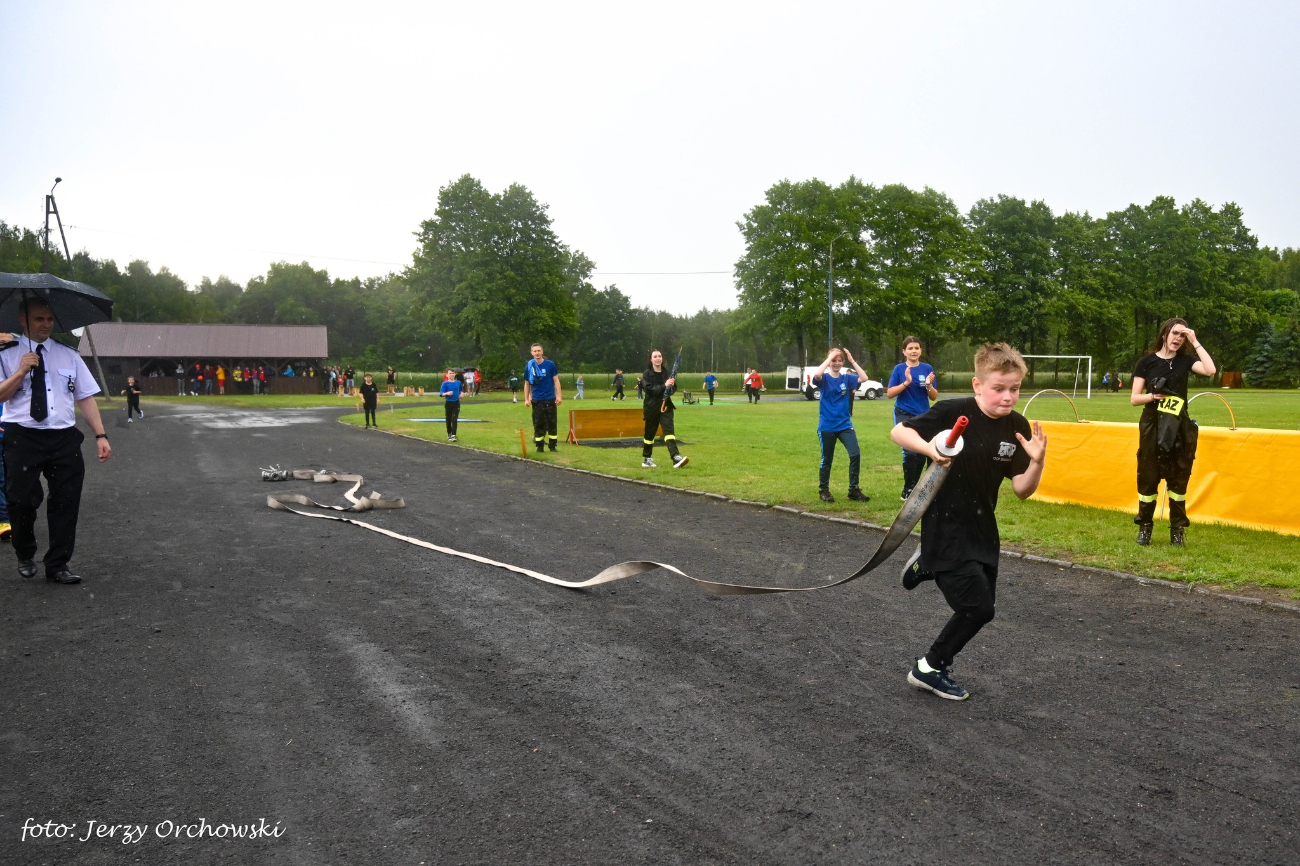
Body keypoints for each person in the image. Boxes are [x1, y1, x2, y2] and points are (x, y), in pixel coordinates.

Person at [890, 343, 1046, 701]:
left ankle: (927, 564)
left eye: (1015, 389)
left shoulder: (1017, 427)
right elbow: (900, 432)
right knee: (978, 608)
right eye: (999, 388)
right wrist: (932, 449)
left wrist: (1037, 462)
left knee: (981, 607)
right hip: (944, 524)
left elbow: (1022, 490)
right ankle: (929, 668)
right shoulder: (953, 411)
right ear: (978, 385)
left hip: (982, 528)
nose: (1008, 397)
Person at [0, 298, 113, 585]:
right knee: (21, 500)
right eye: (39, 319)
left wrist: (101, 435)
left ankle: (58, 564)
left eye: (49, 319)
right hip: (22, 436)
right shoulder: (6, 355)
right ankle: (25, 553)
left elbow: (85, 397)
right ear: (22, 320)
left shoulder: (69, 355)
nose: (46, 324)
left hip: (63, 438)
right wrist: (21, 371)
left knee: (66, 501)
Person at [1131, 318, 1216, 546]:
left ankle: (1177, 529)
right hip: (1151, 425)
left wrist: (1195, 341)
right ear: (1165, 334)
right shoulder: (1146, 362)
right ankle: (1145, 527)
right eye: (1175, 333)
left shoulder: (1186, 361)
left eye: (1183, 335)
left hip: (1179, 426)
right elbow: (1134, 398)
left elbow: (1210, 370)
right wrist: (1153, 396)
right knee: (1148, 477)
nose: (1178, 338)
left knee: (1178, 478)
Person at [812, 348, 870, 503]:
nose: (836, 363)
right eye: (833, 360)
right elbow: (817, 375)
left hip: (845, 425)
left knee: (855, 454)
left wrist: (852, 361)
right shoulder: (823, 378)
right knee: (827, 459)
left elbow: (864, 378)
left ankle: (853, 490)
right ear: (829, 361)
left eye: (839, 360)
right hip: (827, 426)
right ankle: (824, 490)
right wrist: (829, 357)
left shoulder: (847, 378)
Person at [887, 336, 939, 500]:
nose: (914, 351)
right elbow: (889, 394)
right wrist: (907, 382)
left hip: (923, 415)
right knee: (910, 453)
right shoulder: (899, 369)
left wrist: (930, 386)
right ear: (904, 351)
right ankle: (908, 489)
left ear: (920, 351)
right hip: (904, 413)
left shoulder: (927, 368)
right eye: (910, 348)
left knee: (922, 453)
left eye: (916, 348)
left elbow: (934, 397)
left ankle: (917, 488)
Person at [640, 349, 689, 469]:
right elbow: (649, 390)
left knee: (669, 431)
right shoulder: (647, 374)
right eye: (655, 356)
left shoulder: (667, 373)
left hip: (666, 406)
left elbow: (672, 390)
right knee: (649, 434)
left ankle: (675, 457)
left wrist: (671, 386)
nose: (658, 358)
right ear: (651, 359)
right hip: (652, 407)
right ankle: (647, 459)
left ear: (662, 358)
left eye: (660, 356)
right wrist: (664, 385)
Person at [523, 343, 562, 452]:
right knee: (538, 423)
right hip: (537, 399)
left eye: (539, 351)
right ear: (531, 353)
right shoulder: (529, 366)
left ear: (542, 352)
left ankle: (553, 446)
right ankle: (539, 446)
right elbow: (527, 383)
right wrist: (526, 398)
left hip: (550, 398)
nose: (537, 353)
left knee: (552, 422)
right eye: (535, 351)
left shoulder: (550, 365)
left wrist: (559, 396)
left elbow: (556, 380)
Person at [439, 368, 463, 442]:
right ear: (447, 375)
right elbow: (441, 394)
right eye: (450, 373)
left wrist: (462, 394)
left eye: (453, 373)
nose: (452, 374)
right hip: (449, 403)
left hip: (456, 403)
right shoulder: (445, 383)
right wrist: (447, 393)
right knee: (448, 419)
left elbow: (461, 390)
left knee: (454, 419)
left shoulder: (458, 382)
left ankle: (454, 435)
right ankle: (449, 434)